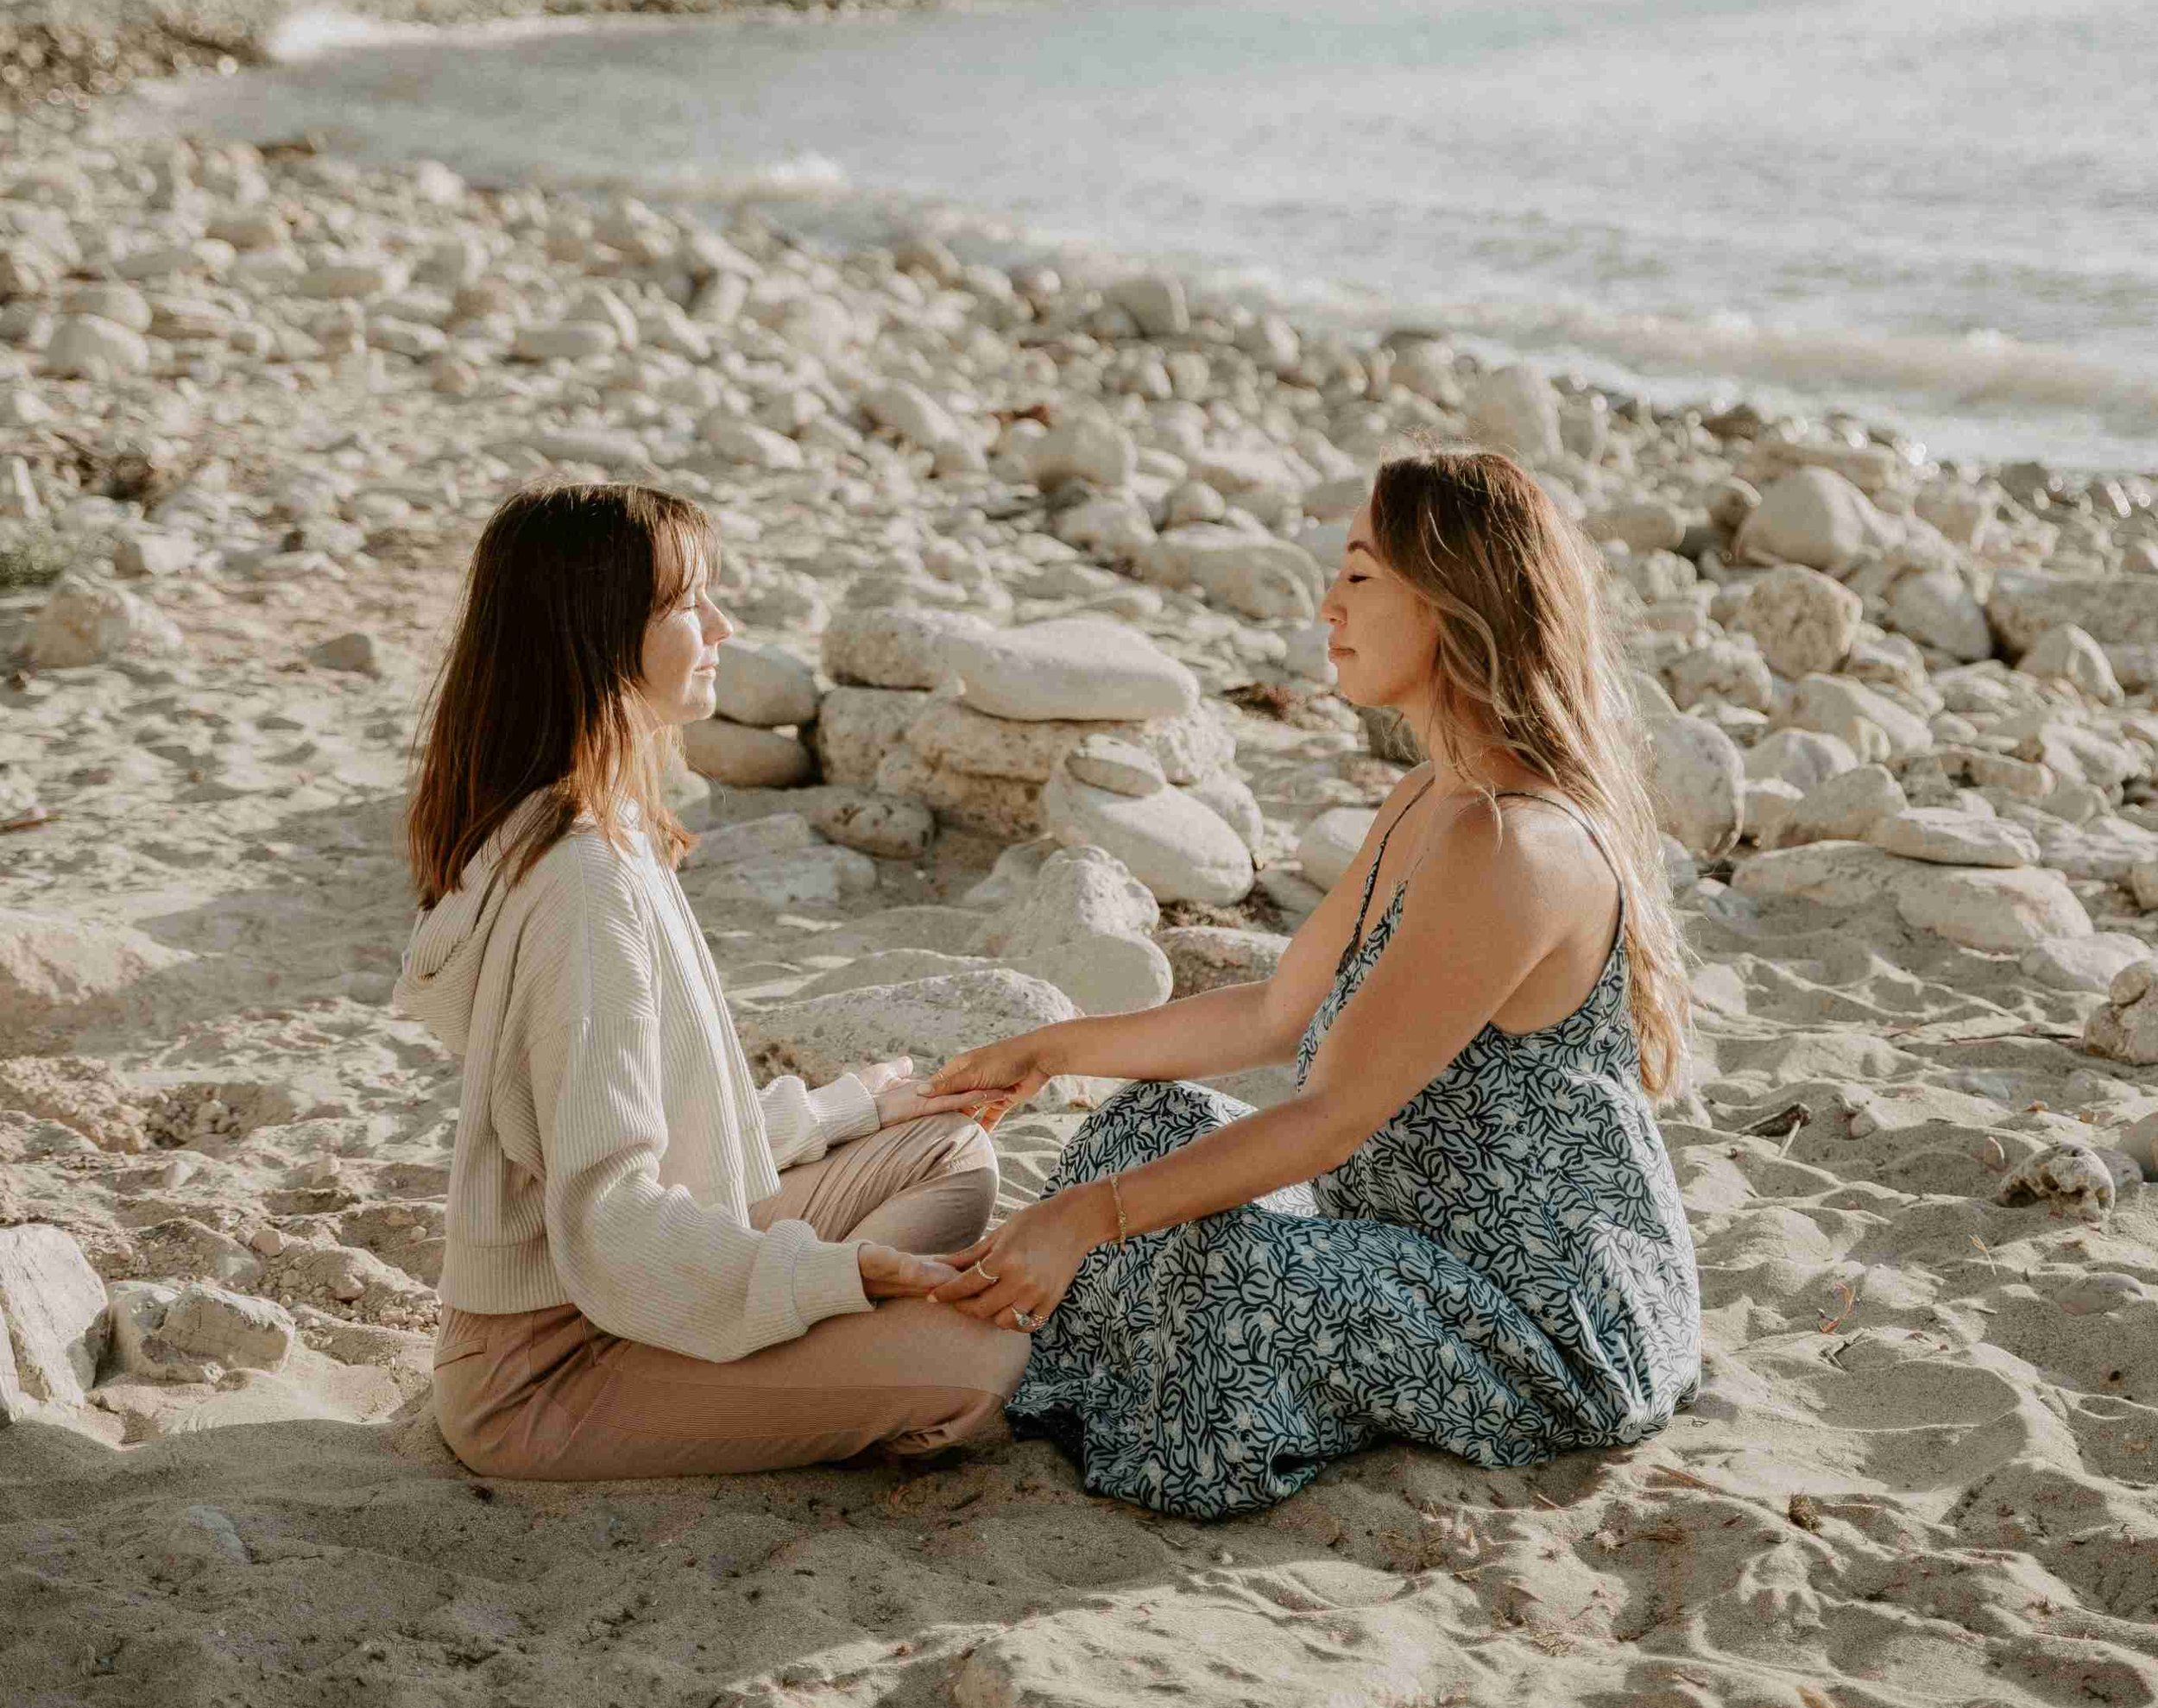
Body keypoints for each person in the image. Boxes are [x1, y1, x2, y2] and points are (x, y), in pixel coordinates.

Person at [918, 446, 1701, 1520]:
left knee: (1205, 1266)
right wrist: (1048, 1050)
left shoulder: (1513, 842)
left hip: (1544, 1318)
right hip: (1405, 1241)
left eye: (1360, 574)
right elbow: (1274, 1013)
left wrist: (1089, 1220)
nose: (1327, 603)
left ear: (1453, 602)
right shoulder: (1427, 800)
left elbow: (1330, 1117)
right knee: (1150, 1127)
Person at [394, 482, 1028, 1481]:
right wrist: (837, 1274)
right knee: (982, 1362)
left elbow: (663, 1127)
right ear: (598, 636)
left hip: (623, 1292)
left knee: (943, 1145)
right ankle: (782, 1362)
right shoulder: (581, 884)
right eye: (689, 605)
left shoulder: (597, 831)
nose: (722, 627)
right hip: (546, 1370)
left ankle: (779, 1350)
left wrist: (855, 1107)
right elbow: (607, 1210)